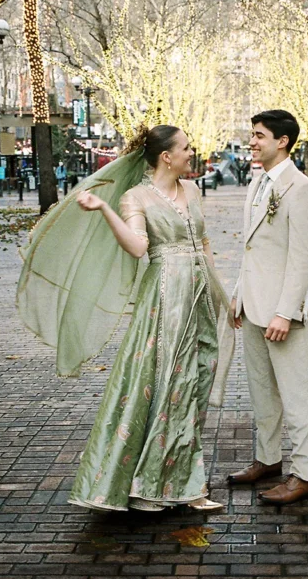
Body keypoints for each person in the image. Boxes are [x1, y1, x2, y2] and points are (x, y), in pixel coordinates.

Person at [17, 125, 235, 513]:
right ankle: (160, 486)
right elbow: (138, 247)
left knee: (196, 382)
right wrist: (103, 209)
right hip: (166, 298)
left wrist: (222, 294)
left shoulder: (194, 191)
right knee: (167, 383)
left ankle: (177, 479)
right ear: (166, 156)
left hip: (200, 297)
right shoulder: (136, 198)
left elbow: (203, 245)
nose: (192, 153)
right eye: (186, 147)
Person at [228, 109, 308, 505]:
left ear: (282, 141)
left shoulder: (301, 189)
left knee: (296, 394)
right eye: (252, 135)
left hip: (286, 313)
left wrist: (285, 312)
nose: (252, 141)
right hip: (253, 305)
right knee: (262, 391)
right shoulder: (257, 183)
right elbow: (252, 248)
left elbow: (302, 257)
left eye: (259, 135)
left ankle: (305, 475)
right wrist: (239, 293)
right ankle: (267, 460)